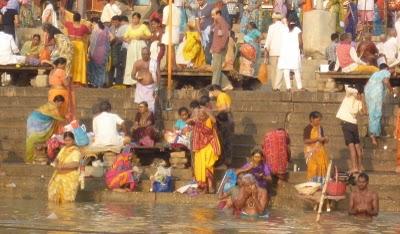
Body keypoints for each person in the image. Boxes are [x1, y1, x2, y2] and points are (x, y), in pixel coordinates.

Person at [190, 99, 221, 193]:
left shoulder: (209, 120)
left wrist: (208, 111)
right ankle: (204, 187)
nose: (201, 115)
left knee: (208, 165)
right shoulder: (197, 121)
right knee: (200, 166)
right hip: (199, 147)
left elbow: (214, 120)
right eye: (199, 113)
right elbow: (188, 122)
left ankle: (210, 186)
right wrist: (193, 118)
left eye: (203, 113)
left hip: (210, 145)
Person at [26, 95, 65, 163]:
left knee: (31, 140)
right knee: (33, 139)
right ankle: (30, 159)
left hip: (32, 119)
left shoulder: (50, 104)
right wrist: (66, 117)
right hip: (36, 122)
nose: (61, 105)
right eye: (61, 103)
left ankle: (30, 159)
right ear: (57, 101)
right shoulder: (53, 107)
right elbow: (59, 118)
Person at [336, 85, 365, 173]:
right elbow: (363, 113)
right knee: (357, 146)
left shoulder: (349, 96)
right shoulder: (358, 100)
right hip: (354, 124)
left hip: (346, 124)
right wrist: (361, 99)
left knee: (351, 146)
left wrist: (358, 95)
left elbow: (347, 88)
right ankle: (360, 167)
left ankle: (354, 167)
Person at [364, 63, 394, 145]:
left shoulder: (375, 74)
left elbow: (367, 85)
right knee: (377, 114)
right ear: (387, 68)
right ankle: (373, 135)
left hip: (368, 93)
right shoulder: (386, 72)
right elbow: (386, 81)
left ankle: (374, 133)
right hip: (375, 94)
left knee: (372, 114)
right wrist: (391, 89)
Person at [48, 131, 81, 203]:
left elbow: (76, 164)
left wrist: (62, 166)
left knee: (66, 201)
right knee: (53, 198)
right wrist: (56, 163)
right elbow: (57, 158)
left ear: (73, 140)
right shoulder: (63, 149)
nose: (67, 142)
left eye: (69, 140)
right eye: (66, 140)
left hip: (69, 177)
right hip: (59, 175)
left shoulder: (76, 151)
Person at [123, 13, 151, 86]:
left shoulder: (143, 26)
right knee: (131, 63)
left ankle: (141, 79)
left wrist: (142, 37)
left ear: (139, 19)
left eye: (136, 18)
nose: (134, 20)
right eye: (133, 18)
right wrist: (127, 40)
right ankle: (130, 81)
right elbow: (124, 37)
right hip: (132, 46)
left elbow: (149, 36)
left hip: (140, 45)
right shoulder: (129, 27)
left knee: (140, 61)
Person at [63, 12, 90, 85]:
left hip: (71, 45)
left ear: (73, 18)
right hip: (80, 45)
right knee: (79, 63)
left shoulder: (69, 24)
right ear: (80, 19)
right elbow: (89, 32)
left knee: (71, 62)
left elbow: (63, 22)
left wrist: (62, 12)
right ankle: (79, 80)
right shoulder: (84, 27)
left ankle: (71, 79)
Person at [209, 84, 233, 166]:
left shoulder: (221, 96)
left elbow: (225, 108)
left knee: (225, 140)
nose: (212, 95)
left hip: (225, 119)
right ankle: (227, 160)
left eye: (212, 92)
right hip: (227, 118)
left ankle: (226, 160)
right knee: (226, 140)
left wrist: (212, 110)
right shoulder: (225, 95)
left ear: (215, 90)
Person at [48, 57, 75, 130]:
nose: (64, 67)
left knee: (54, 111)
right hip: (60, 92)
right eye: (64, 65)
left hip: (52, 92)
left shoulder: (51, 71)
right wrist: (69, 78)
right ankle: (60, 130)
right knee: (61, 112)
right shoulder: (61, 71)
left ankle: (53, 129)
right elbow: (66, 84)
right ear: (60, 64)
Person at [278, 19, 303, 92]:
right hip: (294, 52)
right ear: (295, 24)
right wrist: (301, 49)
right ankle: (300, 87)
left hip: (285, 52)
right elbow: (300, 42)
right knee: (296, 69)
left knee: (286, 70)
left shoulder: (284, 29)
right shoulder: (297, 29)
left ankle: (288, 87)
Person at [303, 111, 329, 183]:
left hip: (320, 152)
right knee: (314, 169)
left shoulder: (320, 128)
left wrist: (325, 139)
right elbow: (306, 141)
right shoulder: (308, 128)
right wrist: (317, 139)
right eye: (317, 120)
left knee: (322, 168)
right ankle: (312, 184)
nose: (319, 122)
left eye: (320, 120)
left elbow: (322, 140)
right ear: (312, 119)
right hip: (311, 152)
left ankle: (320, 185)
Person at [211, 8, 233, 91]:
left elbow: (225, 34)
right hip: (216, 48)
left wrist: (221, 46)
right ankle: (226, 84)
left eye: (213, 15)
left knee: (216, 68)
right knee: (216, 68)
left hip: (219, 48)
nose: (212, 17)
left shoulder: (222, 21)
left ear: (218, 14)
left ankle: (214, 85)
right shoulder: (217, 22)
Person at [88, 17, 112, 88]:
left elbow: (92, 42)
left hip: (96, 50)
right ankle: (101, 84)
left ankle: (95, 83)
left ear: (94, 22)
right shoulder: (106, 28)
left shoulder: (95, 29)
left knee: (95, 68)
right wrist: (107, 43)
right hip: (104, 50)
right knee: (102, 68)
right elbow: (112, 37)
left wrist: (90, 52)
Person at [264, 12, 285, 91]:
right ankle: (277, 86)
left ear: (275, 19)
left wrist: (266, 49)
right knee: (280, 70)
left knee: (273, 70)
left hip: (273, 51)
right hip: (282, 52)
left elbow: (268, 39)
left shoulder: (271, 27)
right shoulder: (285, 27)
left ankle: (274, 86)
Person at [132, 47, 156, 113]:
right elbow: (132, 75)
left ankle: (150, 121)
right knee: (141, 106)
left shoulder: (154, 63)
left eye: (146, 54)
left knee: (151, 107)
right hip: (140, 87)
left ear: (150, 54)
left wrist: (156, 89)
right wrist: (137, 78)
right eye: (143, 54)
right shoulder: (137, 63)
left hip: (151, 87)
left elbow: (158, 76)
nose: (145, 56)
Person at [161, 0, 181, 70]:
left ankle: (172, 65)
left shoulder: (167, 8)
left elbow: (165, 20)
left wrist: (162, 28)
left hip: (170, 28)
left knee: (170, 48)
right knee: (171, 48)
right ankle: (168, 65)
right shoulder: (177, 8)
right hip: (176, 29)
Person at [115, 15, 130, 85]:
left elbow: (117, 38)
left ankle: (119, 82)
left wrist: (122, 39)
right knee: (128, 65)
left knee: (121, 65)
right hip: (131, 48)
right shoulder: (132, 27)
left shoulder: (122, 27)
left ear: (122, 21)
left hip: (123, 48)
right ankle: (127, 82)